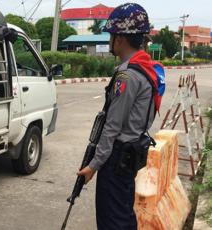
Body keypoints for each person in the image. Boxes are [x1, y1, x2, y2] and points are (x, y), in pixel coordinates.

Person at [77, 3, 165, 230]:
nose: (110, 40)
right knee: (123, 215)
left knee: (111, 221)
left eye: (112, 35)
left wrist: (93, 166)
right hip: (131, 153)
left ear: (121, 38)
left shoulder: (126, 76)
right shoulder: (146, 68)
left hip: (116, 158)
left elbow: (112, 126)